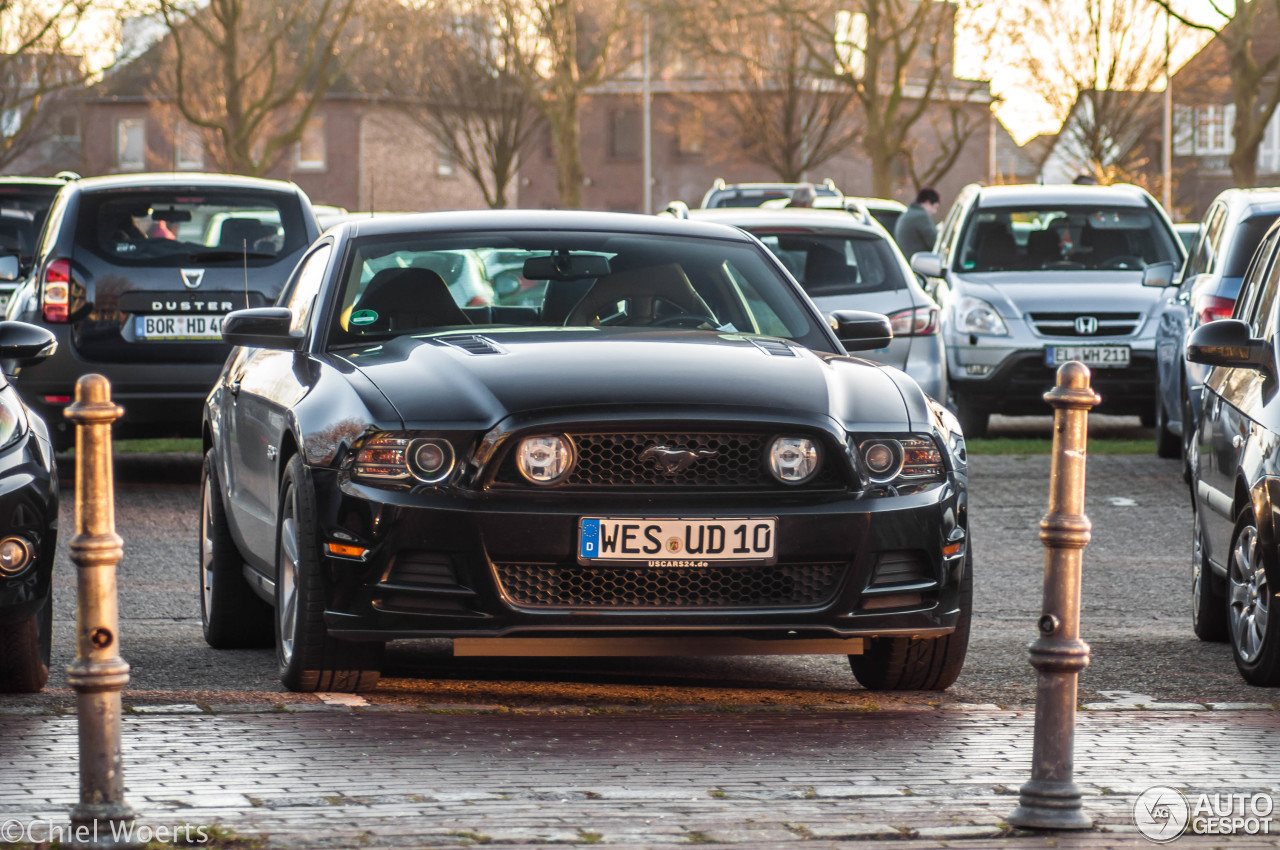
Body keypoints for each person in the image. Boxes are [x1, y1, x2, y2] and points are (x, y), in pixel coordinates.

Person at [894, 187, 940, 259]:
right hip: (919, 265)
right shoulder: (922, 216)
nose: (934, 212)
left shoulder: (905, 215)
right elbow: (935, 243)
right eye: (934, 207)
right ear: (927, 202)